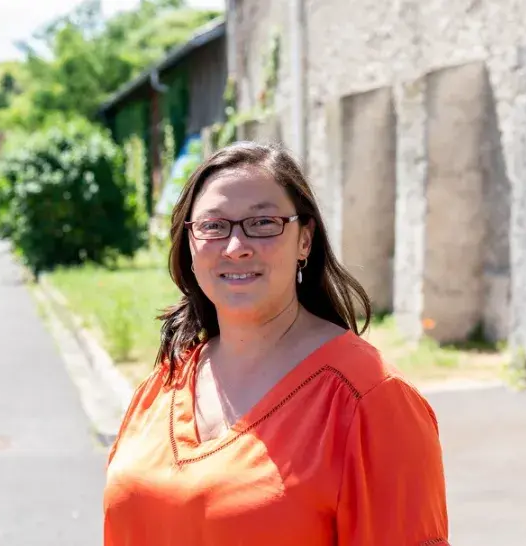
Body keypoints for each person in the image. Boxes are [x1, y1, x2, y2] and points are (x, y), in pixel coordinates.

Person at [102, 141, 449, 545]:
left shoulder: (369, 400)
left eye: (263, 222)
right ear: (189, 245)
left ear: (305, 240)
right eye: (213, 226)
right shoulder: (162, 386)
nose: (236, 247)